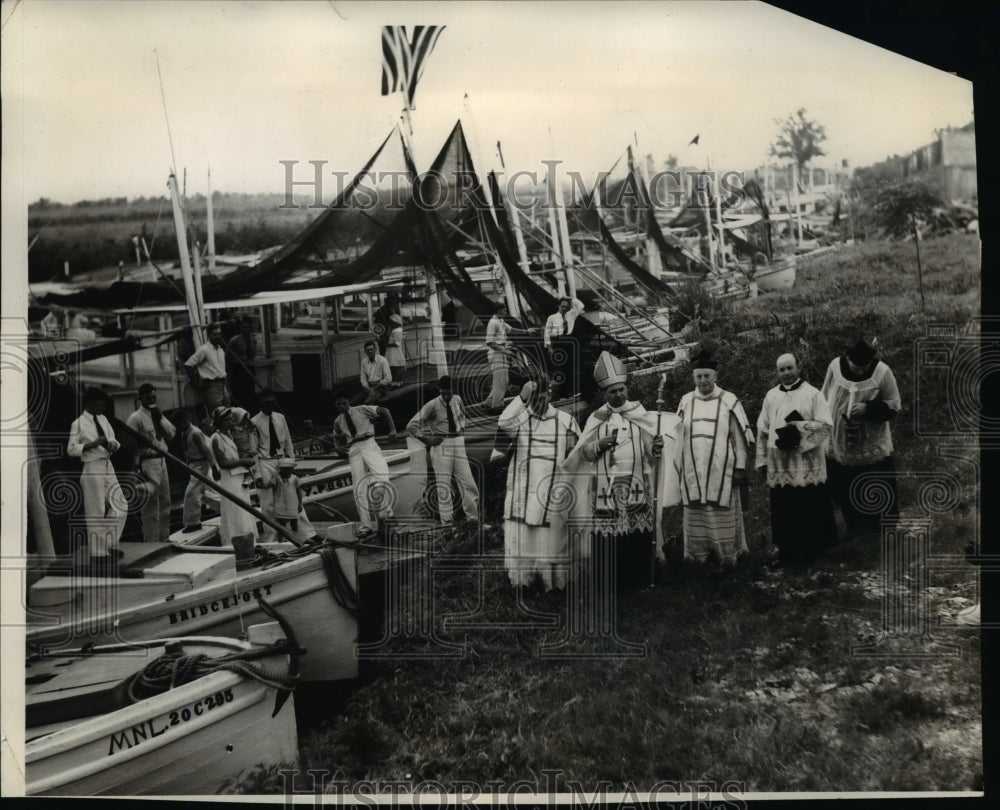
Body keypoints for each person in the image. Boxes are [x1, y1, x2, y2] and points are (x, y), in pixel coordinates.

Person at [561, 352, 675, 593]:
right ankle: (612, 582)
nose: (618, 395)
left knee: (636, 532)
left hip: (635, 485)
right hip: (605, 488)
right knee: (609, 536)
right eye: (612, 391)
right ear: (605, 394)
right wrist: (598, 446)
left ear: (626, 388)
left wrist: (655, 448)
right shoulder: (596, 419)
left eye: (621, 389)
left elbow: (649, 451)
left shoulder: (639, 414)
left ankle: (640, 578)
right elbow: (583, 453)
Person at [495, 376, 581, 592]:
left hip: (554, 492)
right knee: (525, 535)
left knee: (550, 537)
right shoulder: (521, 420)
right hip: (524, 491)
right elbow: (503, 424)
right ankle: (523, 581)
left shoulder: (565, 420)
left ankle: (553, 583)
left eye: (542, 398)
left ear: (550, 395)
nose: (538, 404)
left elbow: (575, 455)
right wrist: (522, 397)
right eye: (534, 399)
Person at [755, 353, 839, 565]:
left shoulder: (813, 394)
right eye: (781, 369)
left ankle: (815, 550)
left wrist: (798, 430)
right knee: (785, 508)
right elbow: (762, 430)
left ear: (798, 367)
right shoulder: (771, 396)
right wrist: (762, 460)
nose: (786, 373)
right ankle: (787, 552)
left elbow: (826, 425)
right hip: (780, 463)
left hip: (807, 461)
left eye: (789, 368)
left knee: (811, 504)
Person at [674, 351, 754, 565]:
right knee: (696, 513)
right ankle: (697, 558)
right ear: (693, 378)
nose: (703, 381)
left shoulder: (729, 400)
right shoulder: (686, 401)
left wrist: (739, 468)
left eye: (707, 376)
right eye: (698, 376)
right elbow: (678, 435)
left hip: (722, 471)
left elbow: (739, 439)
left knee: (721, 513)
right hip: (692, 470)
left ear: (715, 376)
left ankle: (726, 556)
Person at [821, 338, 901, 534]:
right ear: (847, 358)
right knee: (841, 484)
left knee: (875, 483)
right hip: (839, 440)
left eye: (864, 367)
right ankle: (853, 525)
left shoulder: (882, 372)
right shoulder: (835, 366)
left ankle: (882, 527)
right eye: (855, 367)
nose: (860, 371)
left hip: (869, 439)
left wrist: (868, 409)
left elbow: (893, 404)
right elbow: (824, 396)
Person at [67, 387, 128, 572]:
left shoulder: (103, 419)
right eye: (102, 403)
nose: (104, 407)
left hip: (107, 464)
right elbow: (71, 449)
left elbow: (114, 440)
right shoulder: (78, 424)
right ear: (91, 402)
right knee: (96, 510)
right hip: (92, 466)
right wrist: (93, 444)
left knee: (121, 504)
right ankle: (98, 553)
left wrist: (112, 444)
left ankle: (107, 544)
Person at [407, 375, 480, 526]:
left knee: (468, 482)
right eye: (443, 393)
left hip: (457, 442)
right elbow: (411, 425)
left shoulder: (457, 400)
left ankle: (473, 519)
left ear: (453, 389)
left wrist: (462, 433)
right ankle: (447, 525)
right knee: (443, 486)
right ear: (439, 390)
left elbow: (462, 416)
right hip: (441, 444)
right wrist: (427, 439)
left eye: (449, 392)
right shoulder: (432, 405)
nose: (446, 396)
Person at [333, 392, 397, 540]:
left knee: (383, 477)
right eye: (338, 404)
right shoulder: (338, 421)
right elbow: (336, 435)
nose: (342, 406)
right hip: (354, 449)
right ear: (335, 405)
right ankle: (366, 526)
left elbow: (384, 411)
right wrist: (337, 447)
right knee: (358, 488)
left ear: (348, 400)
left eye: (344, 403)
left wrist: (392, 429)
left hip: (369, 444)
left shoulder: (361, 409)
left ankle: (384, 515)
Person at [126, 383, 176, 542]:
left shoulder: (157, 414)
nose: (152, 400)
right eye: (148, 398)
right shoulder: (135, 418)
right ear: (141, 398)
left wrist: (160, 417)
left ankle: (164, 538)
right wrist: (135, 467)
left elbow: (171, 435)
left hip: (162, 461)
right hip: (147, 463)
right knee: (150, 507)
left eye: (154, 397)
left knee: (166, 502)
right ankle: (151, 541)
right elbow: (129, 444)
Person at [210, 406, 259, 550]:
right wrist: (243, 461)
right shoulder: (216, 438)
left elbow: (233, 459)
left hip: (238, 478)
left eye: (232, 419)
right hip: (229, 480)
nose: (232, 421)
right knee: (234, 510)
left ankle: (248, 542)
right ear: (221, 422)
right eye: (228, 419)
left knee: (243, 510)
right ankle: (234, 544)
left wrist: (245, 458)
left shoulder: (229, 435)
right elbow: (223, 463)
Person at [176, 409, 221, 533]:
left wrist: (214, 467)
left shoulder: (195, 432)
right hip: (192, 465)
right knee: (202, 493)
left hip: (201, 465)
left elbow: (207, 451)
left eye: (179, 424)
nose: (178, 427)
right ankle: (224, 506)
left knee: (191, 493)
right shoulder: (184, 433)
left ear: (184, 420)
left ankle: (193, 522)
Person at [543, 296, 585, 397]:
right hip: (557, 343)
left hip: (569, 342)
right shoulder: (552, 317)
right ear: (558, 306)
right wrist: (549, 347)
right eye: (562, 306)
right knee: (561, 368)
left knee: (573, 367)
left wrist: (570, 299)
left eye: (567, 307)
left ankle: (574, 391)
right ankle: (563, 394)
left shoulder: (571, 315)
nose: (564, 308)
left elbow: (581, 305)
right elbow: (547, 333)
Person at [184, 322, 230, 411]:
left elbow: (222, 372)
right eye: (215, 334)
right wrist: (196, 385)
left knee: (228, 412)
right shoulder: (204, 350)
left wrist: (228, 390)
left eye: (219, 334)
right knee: (217, 414)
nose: (218, 336)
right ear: (209, 335)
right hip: (211, 387)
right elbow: (188, 365)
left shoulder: (220, 350)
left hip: (223, 385)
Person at [484, 301, 513, 409]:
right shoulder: (493, 323)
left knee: (504, 380)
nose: (506, 311)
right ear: (498, 311)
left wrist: (527, 331)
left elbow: (511, 329)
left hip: (501, 351)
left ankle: (488, 402)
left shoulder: (500, 321)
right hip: (496, 352)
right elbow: (489, 342)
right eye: (504, 309)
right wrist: (504, 351)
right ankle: (497, 406)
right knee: (500, 381)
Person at [227, 315, 258, 408]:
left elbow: (253, 355)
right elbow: (228, 357)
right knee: (240, 393)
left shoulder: (253, 340)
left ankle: (249, 410)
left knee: (250, 393)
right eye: (245, 327)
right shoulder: (234, 341)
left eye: (249, 327)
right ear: (241, 327)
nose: (247, 329)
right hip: (239, 370)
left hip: (250, 368)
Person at [273, 459, 304, 534]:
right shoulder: (277, 478)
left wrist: (300, 504)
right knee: (281, 526)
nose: (286, 472)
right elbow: (269, 485)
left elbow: (299, 492)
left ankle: (295, 538)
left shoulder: (295, 479)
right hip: (280, 506)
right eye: (283, 470)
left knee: (294, 524)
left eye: (288, 470)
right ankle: (281, 540)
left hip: (292, 506)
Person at [357, 340, 393, 404]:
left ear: (375, 349)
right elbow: (363, 379)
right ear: (365, 351)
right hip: (369, 387)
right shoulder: (364, 362)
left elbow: (388, 379)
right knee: (354, 402)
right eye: (368, 350)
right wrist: (368, 388)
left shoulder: (382, 360)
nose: (370, 351)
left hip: (381, 387)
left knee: (367, 403)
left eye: (371, 349)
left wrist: (373, 388)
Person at [385, 314, 406, 387]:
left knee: (395, 365)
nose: (389, 323)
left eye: (391, 322)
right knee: (393, 365)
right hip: (391, 350)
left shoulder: (397, 330)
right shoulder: (393, 330)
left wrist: (387, 345)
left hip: (395, 350)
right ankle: (396, 381)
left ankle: (398, 381)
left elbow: (397, 343)